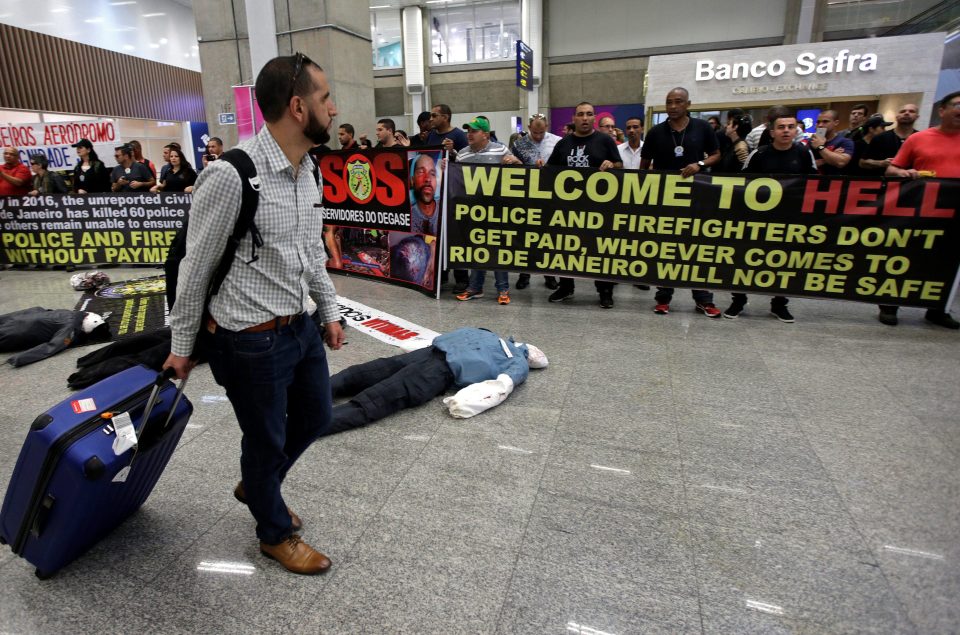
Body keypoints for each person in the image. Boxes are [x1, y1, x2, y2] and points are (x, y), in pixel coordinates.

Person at [164, 52, 346, 575]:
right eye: (325, 97)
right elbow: (195, 268)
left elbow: (310, 251)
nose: (333, 109)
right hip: (248, 340)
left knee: (317, 415)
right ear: (297, 107)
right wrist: (181, 347)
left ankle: (258, 484)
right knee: (264, 438)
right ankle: (274, 533)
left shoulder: (306, 169)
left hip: (299, 326)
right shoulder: (231, 175)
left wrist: (329, 311)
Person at [329, 328, 547, 431]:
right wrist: (464, 404)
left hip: (428, 353)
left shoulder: (487, 332)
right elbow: (501, 387)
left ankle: (303, 396)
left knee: (362, 373)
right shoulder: (518, 363)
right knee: (376, 400)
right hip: (438, 372)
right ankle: (305, 425)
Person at [725, 112, 817, 323]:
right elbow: (743, 184)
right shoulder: (758, 154)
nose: (786, 131)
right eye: (781, 127)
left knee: (782, 263)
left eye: (790, 127)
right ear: (772, 131)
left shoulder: (803, 154)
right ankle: (738, 301)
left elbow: (813, 186)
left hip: (789, 219)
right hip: (758, 219)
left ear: (796, 130)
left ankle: (779, 304)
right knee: (745, 261)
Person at [879, 91, 960, 329]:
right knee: (906, 256)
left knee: (946, 260)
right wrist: (905, 174)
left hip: (954, 214)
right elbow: (891, 170)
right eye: (956, 105)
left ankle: (938, 309)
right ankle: (890, 305)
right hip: (921, 209)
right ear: (942, 111)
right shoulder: (919, 139)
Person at [640, 87, 722, 317]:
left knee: (696, 249)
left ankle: (703, 299)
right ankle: (663, 298)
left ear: (688, 104)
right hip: (666, 199)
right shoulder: (656, 132)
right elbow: (644, 163)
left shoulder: (703, 128)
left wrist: (700, 165)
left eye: (678, 102)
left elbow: (716, 155)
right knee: (667, 249)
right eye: (669, 102)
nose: (673, 106)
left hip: (697, 199)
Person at [546, 101, 622, 308]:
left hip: (597, 208)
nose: (585, 118)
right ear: (574, 118)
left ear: (594, 117)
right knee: (565, 248)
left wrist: (611, 164)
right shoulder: (563, 143)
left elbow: (619, 165)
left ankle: (605, 291)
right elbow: (551, 170)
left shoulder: (604, 140)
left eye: (589, 114)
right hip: (568, 208)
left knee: (599, 250)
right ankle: (565, 286)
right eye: (581, 114)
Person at [454, 117, 521, 306]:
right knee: (478, 248)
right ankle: (476, 288)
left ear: (485, 134)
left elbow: (519, 170)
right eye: (468, 131)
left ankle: (503, 289)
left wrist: (515, 161)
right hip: (474, 210)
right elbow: (457, 180)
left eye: (474, 131)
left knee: (498, 248)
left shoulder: (500, 149)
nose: (469, 134)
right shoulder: (462, 154)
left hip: (497, 208)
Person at [511, 113, 561, 291]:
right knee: (526, 239)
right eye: (535, 132)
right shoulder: (519, 144)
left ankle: (550, 275)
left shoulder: (557, 142)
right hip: (527, 197)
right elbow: (513, 167)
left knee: (548, 239)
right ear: (529, 127)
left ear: (546, 127)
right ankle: (524, 274)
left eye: (541, 132)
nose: (538, 136)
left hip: (551, 196)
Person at [861, 103, 918, 175]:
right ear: (897, 116)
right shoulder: (880, 138)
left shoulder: (921, 139)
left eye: (911, 111)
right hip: (883, 183)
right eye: (902, 111)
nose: (906, 113)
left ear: (917, 116)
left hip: (912, 183)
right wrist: (881, 163)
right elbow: (862, 162)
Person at [808, 110, 853, 175]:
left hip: (835, 181)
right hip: (812, 181)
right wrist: (831, 157)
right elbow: (805, 165)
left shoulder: (845, 142)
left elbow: (841, 163)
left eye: (825, 121)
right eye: (818, 122)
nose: (820, 125)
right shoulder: (811, 141)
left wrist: (820, 147)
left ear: (836, 122)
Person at [409, 152, 440, 235]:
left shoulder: (446, 209)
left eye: (432, 173)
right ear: (412, 181)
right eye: (421, 172)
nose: (428, 179)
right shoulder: (407, 217)